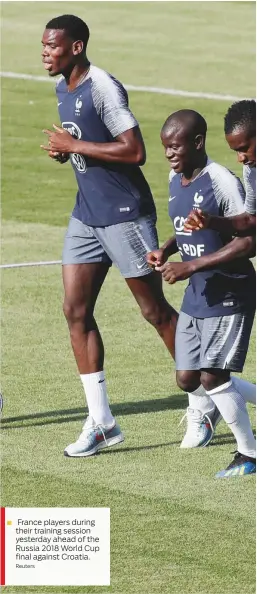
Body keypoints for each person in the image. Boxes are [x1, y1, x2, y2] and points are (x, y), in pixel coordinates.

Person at [40, 13, 186, 457]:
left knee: (154, 311)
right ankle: (102, 421)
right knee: (74, 310)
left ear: (77, 47)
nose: (46, 54)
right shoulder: (62, 88)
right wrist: (70, 154)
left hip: (124, 215)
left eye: (53, 47)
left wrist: (74, 146)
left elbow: (136, 151)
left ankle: (205, 394)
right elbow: (89, 145)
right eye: (43, 47)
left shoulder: (101, 85)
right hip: (87, 216)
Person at [147, 109, 256, 477]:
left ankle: (249, 454)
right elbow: (186, 229)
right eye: (165, 148)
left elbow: (248, 241)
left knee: (213, 376)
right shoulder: (175, 180)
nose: (169, 154)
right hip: (198, 292)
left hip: (230, 290)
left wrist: (190, 266)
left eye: (175, 146)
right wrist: (166, 250)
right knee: (188, 378)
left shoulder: (222, 182)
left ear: (197, 143)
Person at [184, 100, 256, 235]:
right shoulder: (252, 170)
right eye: (237, 151)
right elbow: (250, 220)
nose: (241, 158)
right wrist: (210, 221)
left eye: (244, 148)